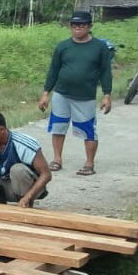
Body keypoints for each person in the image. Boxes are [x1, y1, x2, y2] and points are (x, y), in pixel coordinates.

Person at [38, 10, 113, 176]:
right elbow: (53, 71)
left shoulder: (99, 47)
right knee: (58, 127)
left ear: (89, 26)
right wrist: (46, 93)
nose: (77, 28)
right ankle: (57, 159)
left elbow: (105, 72)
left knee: (88, 130)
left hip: (85, 97)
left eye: (82, 25)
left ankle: (89, 163)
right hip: (62, 94)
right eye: (74, 25)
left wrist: (107, 95)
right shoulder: (63, 46)